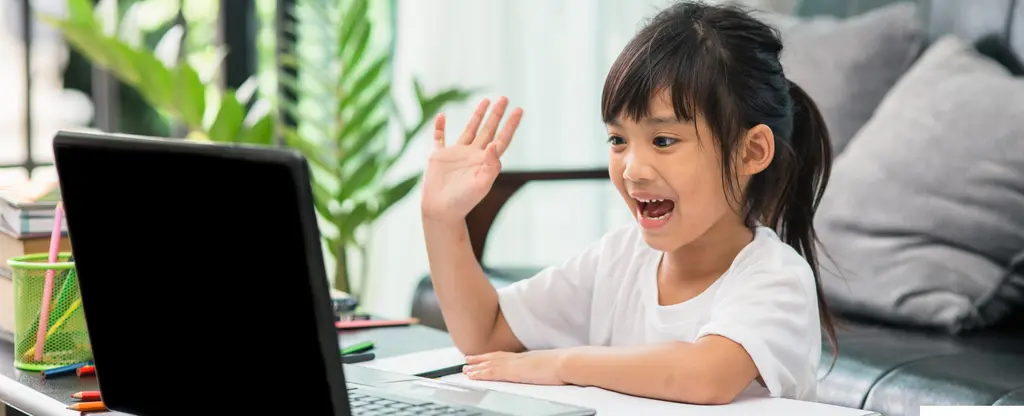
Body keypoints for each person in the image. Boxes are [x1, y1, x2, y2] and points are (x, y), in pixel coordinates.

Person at [419, 0, 837, 405]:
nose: (633, 169)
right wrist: (441, 219)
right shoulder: (618, 259)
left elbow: (706, 375)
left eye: (663, 140)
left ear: (750, 152)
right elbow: (485, 332)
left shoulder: (776, 277)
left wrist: (560, 364)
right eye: (618, 140)